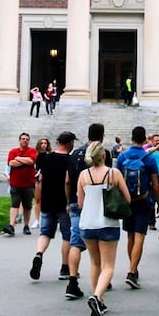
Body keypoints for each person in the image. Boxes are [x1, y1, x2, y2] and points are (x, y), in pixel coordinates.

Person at [78, 140, 130, 316]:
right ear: (105, 155)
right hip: (108, 222)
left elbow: (80, 203)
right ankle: (97, 297)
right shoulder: (113, 173)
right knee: (108, 266)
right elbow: (127, 198)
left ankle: (99, 300)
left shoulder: (83, 175)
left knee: (94, 263)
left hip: (87, 223)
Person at [65, 122, 111, 301]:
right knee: (100, 242)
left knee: (76, 242)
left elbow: (68, 181)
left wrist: (69, 201)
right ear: (102, 136)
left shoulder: (75, 153)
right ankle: (102, 279)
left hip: (77, 202)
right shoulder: (102, 154)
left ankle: (72, 281)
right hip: (97, 205)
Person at [116, 125, 159, 290]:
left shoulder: (122, 156)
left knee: (130, 236)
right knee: (140, 236)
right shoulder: (148, 159)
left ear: (132, 137)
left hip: (127, 201)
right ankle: (132, 271)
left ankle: (133, 268)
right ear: (144, 140)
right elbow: (155, 185)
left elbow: (117, 179)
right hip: (143, 200)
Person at [29, 131, 73, 282]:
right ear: (69, 144)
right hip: (63, 202)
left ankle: (39, 253)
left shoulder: (46, 158)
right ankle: (65, 267)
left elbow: (40, 178)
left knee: (45, 233)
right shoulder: (70, 160)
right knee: (67, 235)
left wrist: (39, 198)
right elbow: (68, 181)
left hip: (47, 201)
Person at [3, 132, 37, 236]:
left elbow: (31, 161)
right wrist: (24, 160)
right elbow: (11, 163)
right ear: (19, 140)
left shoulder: (32, 151)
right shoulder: (13, 151)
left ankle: (26, 225)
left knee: (27, 206)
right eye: (23, 139)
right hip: (15, 183)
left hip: (28, 183)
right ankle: (11, 225)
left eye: (27, 139)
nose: (25, 141)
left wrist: (18, 159)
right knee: (14, 204)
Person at [31, 137, 52, 229]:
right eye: (42, 143)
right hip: (39, 180)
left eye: (45, 143)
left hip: (48, 179)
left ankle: (48, 219)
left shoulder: (50, 155)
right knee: (38, 200)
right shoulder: (37, 155)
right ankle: (37, 220)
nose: (43, 145)